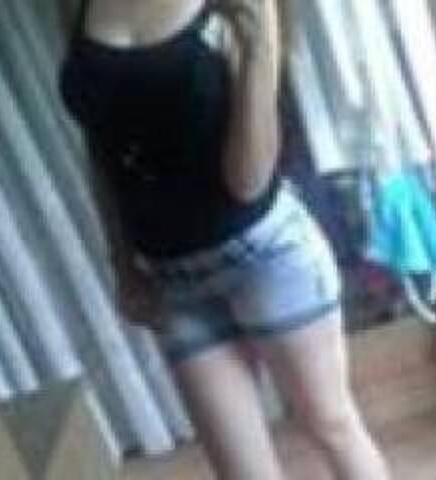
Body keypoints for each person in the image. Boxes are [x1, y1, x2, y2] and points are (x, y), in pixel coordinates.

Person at [58, 1, 390, 478]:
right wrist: (122, 265)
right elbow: (101, 148)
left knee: (330, 424)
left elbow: (246, 183)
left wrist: (259, 47)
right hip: (172, 280)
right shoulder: (76, 6)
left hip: (265, 254)